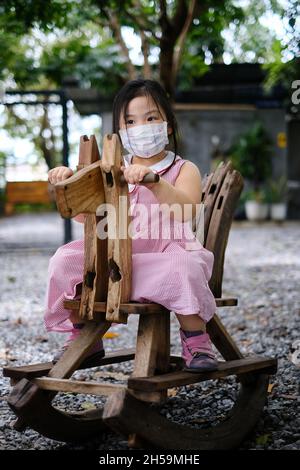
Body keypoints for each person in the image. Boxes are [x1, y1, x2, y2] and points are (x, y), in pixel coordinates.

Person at [46, 79, 218, 372]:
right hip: (116, 261)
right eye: (131, 121)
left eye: (151, 118)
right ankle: (83, 336)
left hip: (164, 253)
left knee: (184, 267)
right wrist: (65, 183)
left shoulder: (182, 168)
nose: (142, 127)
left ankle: (196, 341)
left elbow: (187, 211)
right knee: (64, 260)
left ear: (168, 126)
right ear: (121, 132)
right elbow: (86, 216)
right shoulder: (110, 169)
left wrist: (155, 181)